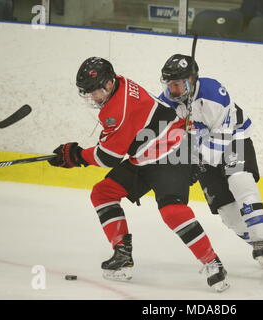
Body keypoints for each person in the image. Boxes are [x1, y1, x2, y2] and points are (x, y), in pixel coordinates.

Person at [47, 57, 229, 292]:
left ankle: (213, 263)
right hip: (145, 155)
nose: (93, 98)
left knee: (172, 211)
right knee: (103, 193)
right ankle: (122, 254)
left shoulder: (116, 110)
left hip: (172, 151)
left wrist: (76, 156)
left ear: (109, 84)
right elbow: (119, 144)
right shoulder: (120, 84)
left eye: (95, 92)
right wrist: (77, 154)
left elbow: (108, 157)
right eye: (88, 93)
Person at [158, 54, 263, 270]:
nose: (172, 90)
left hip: (233, 138)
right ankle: (260, 245)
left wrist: (196, 163)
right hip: (200, 150)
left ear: (191, 80)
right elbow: (165, 134)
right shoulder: (167, 100)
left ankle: (261, 239)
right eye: (169, 84)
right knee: (228, 213)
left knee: (240, 181)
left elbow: (223, 135)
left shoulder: (213, 93)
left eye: (176, 84)